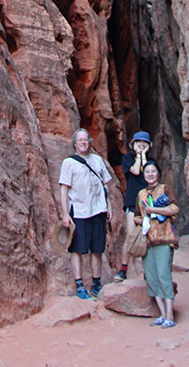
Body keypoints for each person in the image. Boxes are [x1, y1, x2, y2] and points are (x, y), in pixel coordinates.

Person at [59, 128, 116, 299]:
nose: (83, 142)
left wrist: (109, 207)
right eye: (80, 140)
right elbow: (64, 189)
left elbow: (105, 186)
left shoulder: (98, 160)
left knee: (97, 249)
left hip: (98, 210)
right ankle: (79, 286)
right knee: (77, 249)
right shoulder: (68, 163)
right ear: (75, 144)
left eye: (86, 140)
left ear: (90, 142)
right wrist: (65, 214)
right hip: (79, 211)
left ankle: (96, 285)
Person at [135, 161, 179, 328]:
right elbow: (136, 216)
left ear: (158, 173)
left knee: (164, 275)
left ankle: (170, 315)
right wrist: (144, 220)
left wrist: (154, 211)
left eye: (153, 171)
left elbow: (174, 209)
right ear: (144, 175)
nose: (150, 174)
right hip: (148, 241)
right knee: (152, 278)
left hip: (165, 238)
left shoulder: (165, 189)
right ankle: (162, 314)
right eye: (147, 172)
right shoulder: (140, 194)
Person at [114, 131, 156, 282]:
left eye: (144, 142)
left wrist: (144, 156)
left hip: (148, 203)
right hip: (132, 201)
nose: (141, 144)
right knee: (131, 236)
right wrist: (139, 156)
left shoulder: (152, 161)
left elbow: (148, 175)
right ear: (133, 144)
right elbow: (136, 171)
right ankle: (123, 270)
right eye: (138, 142)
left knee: (149, 237)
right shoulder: (127, 159)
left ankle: (148, 271)